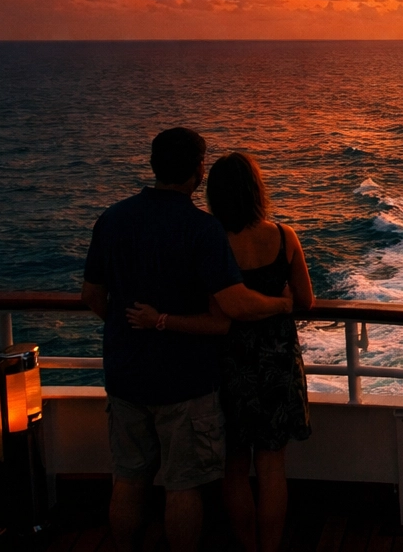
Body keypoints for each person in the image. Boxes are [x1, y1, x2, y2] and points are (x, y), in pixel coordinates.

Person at [80, 129, 293, 552]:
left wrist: (131, 327)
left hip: (126, 375)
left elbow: (92, 297)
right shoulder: (202, 230)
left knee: (128, 480)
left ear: (155, 166)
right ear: (196, 171)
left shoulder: (113, 218)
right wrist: (282, 305)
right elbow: (230, 309)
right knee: (182, 487)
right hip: (185, 381)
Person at [127, 152, 314, 552]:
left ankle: (246, 546)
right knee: (271, 466)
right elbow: (306, 300)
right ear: (257, 190)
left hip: (224, 361)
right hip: (276, 361)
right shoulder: (284, 236)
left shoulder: (211, 239)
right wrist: (279, 301)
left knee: (234, 467)